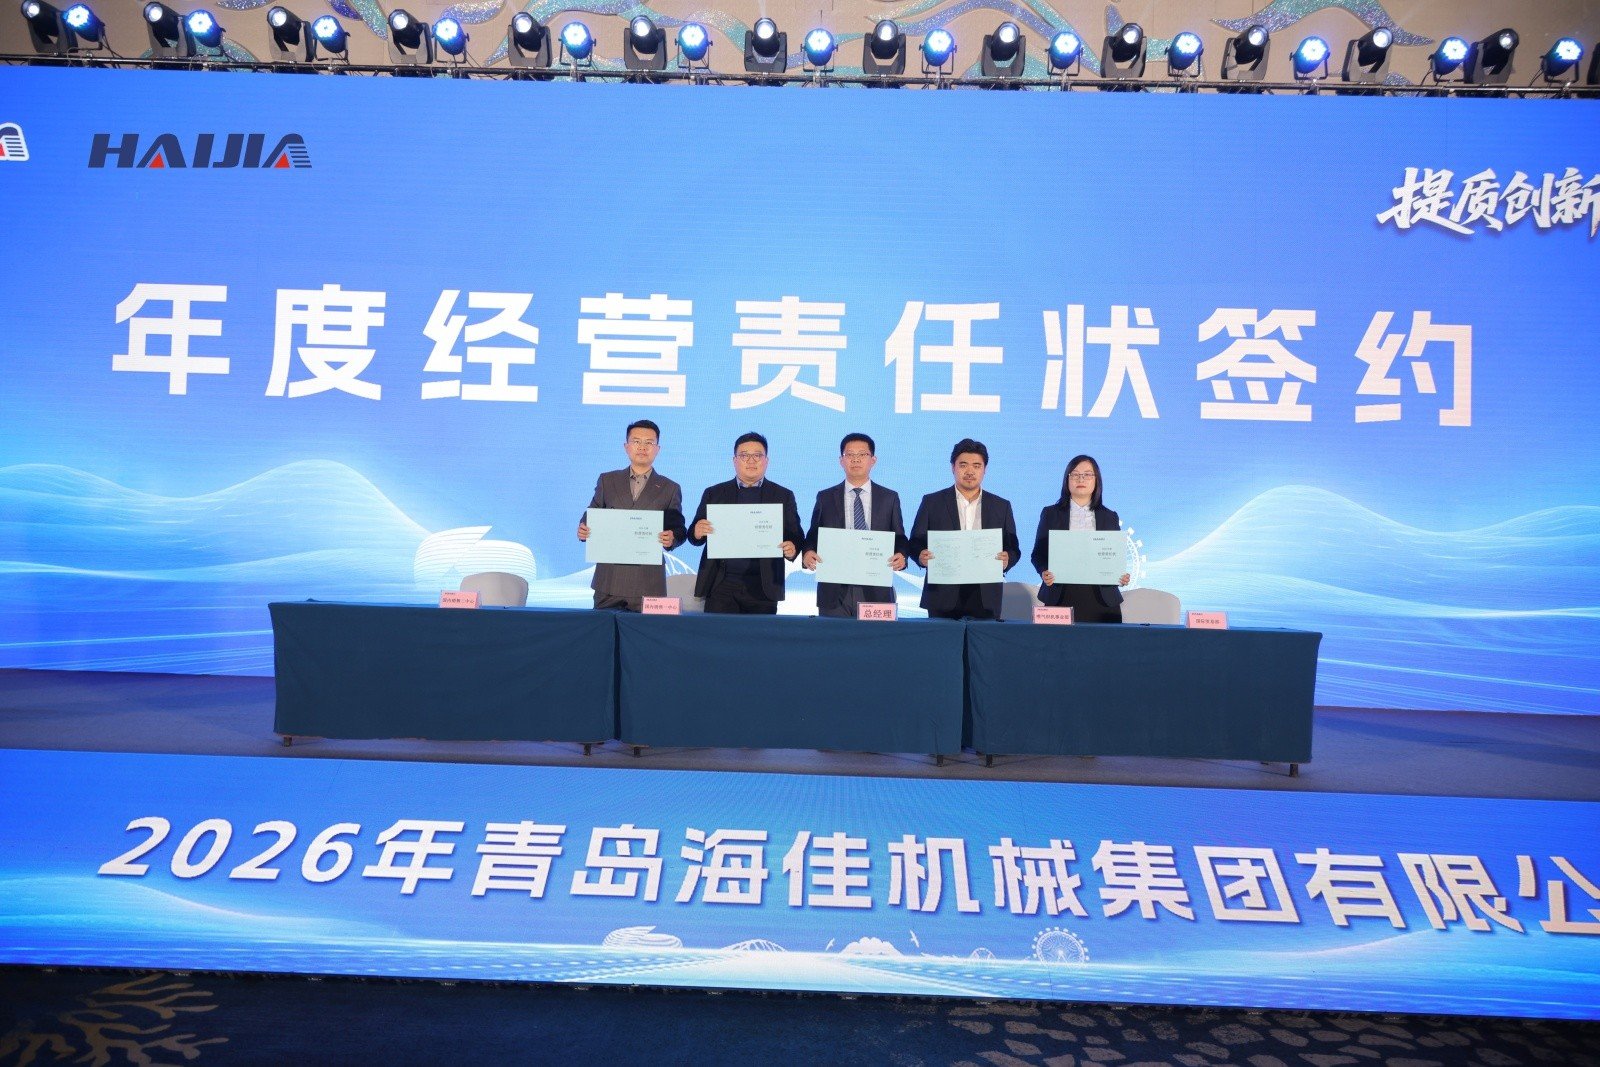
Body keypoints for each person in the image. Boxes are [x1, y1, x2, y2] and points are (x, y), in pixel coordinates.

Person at [576, 419, 688, 612]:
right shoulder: (607, 480)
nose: (642, 447)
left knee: (646, 631)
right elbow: (593, 512)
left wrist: (672, 538)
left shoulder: (670, 488)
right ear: (626, 446)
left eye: (649, 442)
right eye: (636, 441)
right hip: (608, 578)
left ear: (657, 449)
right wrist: (584, 528)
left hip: (649, 581)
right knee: (603, 629)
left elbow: (679, 529)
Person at [688, 432, 805, 615]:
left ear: (766, 461)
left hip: (763, 585)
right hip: (721, 582)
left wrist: (792, 547)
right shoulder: (714, 493)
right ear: (734, 460)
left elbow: (795, 534)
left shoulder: (783, 495)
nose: (751, 461)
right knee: (719, 633)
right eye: (744, 455)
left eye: (757, 455)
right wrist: (697, 531)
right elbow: (694, 535)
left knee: (759, 634)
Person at [908, 439, 1020, 621]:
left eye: (976, 466)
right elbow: (915, 542)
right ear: (953, 467)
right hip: (942, 594)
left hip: (985, 595)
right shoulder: (932, 502)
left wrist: (1008, 560)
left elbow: (1013, 548)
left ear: (985, 469)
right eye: (963, 465)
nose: (970, 471)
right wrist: (920, 556)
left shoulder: (1001, 506)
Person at [801, 433, 910, 618]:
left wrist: (902, 555)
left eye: (862, 454)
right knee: (834, 636)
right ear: (841, 461)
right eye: (850, 454)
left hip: (876, 587)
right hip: (834, 589)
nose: (856, 459)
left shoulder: (889, 498)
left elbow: (899, 536)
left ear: (873, 460)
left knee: (875, 637)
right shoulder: (825, 497)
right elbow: (813, 534)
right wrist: (808, 551)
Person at [1031, 454, 1131, 624]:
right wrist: (1044, 571)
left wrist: (1120, 576)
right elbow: (1037, 555)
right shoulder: (1050, 514)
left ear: (1096, 480)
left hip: (1102, 599)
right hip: (1060, 596)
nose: (1081, 479)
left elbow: (1114, 558)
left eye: (1087, 474)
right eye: (1075, 474)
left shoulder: (1109, 517)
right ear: (1067, 479)